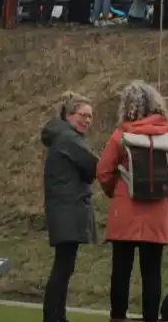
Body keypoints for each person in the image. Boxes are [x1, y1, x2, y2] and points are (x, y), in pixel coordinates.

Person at [96, 81, 168, 322]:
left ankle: (118, 317)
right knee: (152, 272)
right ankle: (150, 318)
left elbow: (104, 172)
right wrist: (166, 195)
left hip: (124, 211)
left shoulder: (121, 135)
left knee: (121, 271)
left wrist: (117, 194)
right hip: (157, 212)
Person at [41, 92, 98, 322]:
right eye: (83, 115)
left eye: (90, 117)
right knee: (63, 268)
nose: (87, 120)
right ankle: (54, 317)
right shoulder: (69, 139)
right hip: (68, 209)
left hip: (63, 209)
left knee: (64, 266)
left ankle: (57, 315)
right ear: (69, 115)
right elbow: (94, 167)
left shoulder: (62, 136)